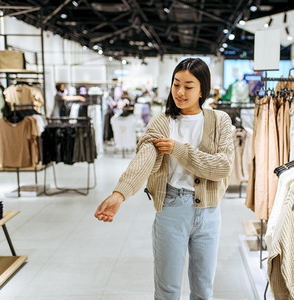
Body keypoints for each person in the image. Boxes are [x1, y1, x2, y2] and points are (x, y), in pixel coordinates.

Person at [94, 58, 234, 300]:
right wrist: (120, 193)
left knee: (203, 290)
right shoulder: (162, 122)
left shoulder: (220, 121)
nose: (180, 92)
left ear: (203, 89)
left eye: (189, 86)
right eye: (176, 84)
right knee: (167, 290)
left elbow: (222, 167)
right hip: (171, 208)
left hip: (210, 213)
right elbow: (144, 160)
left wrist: (179, 149)